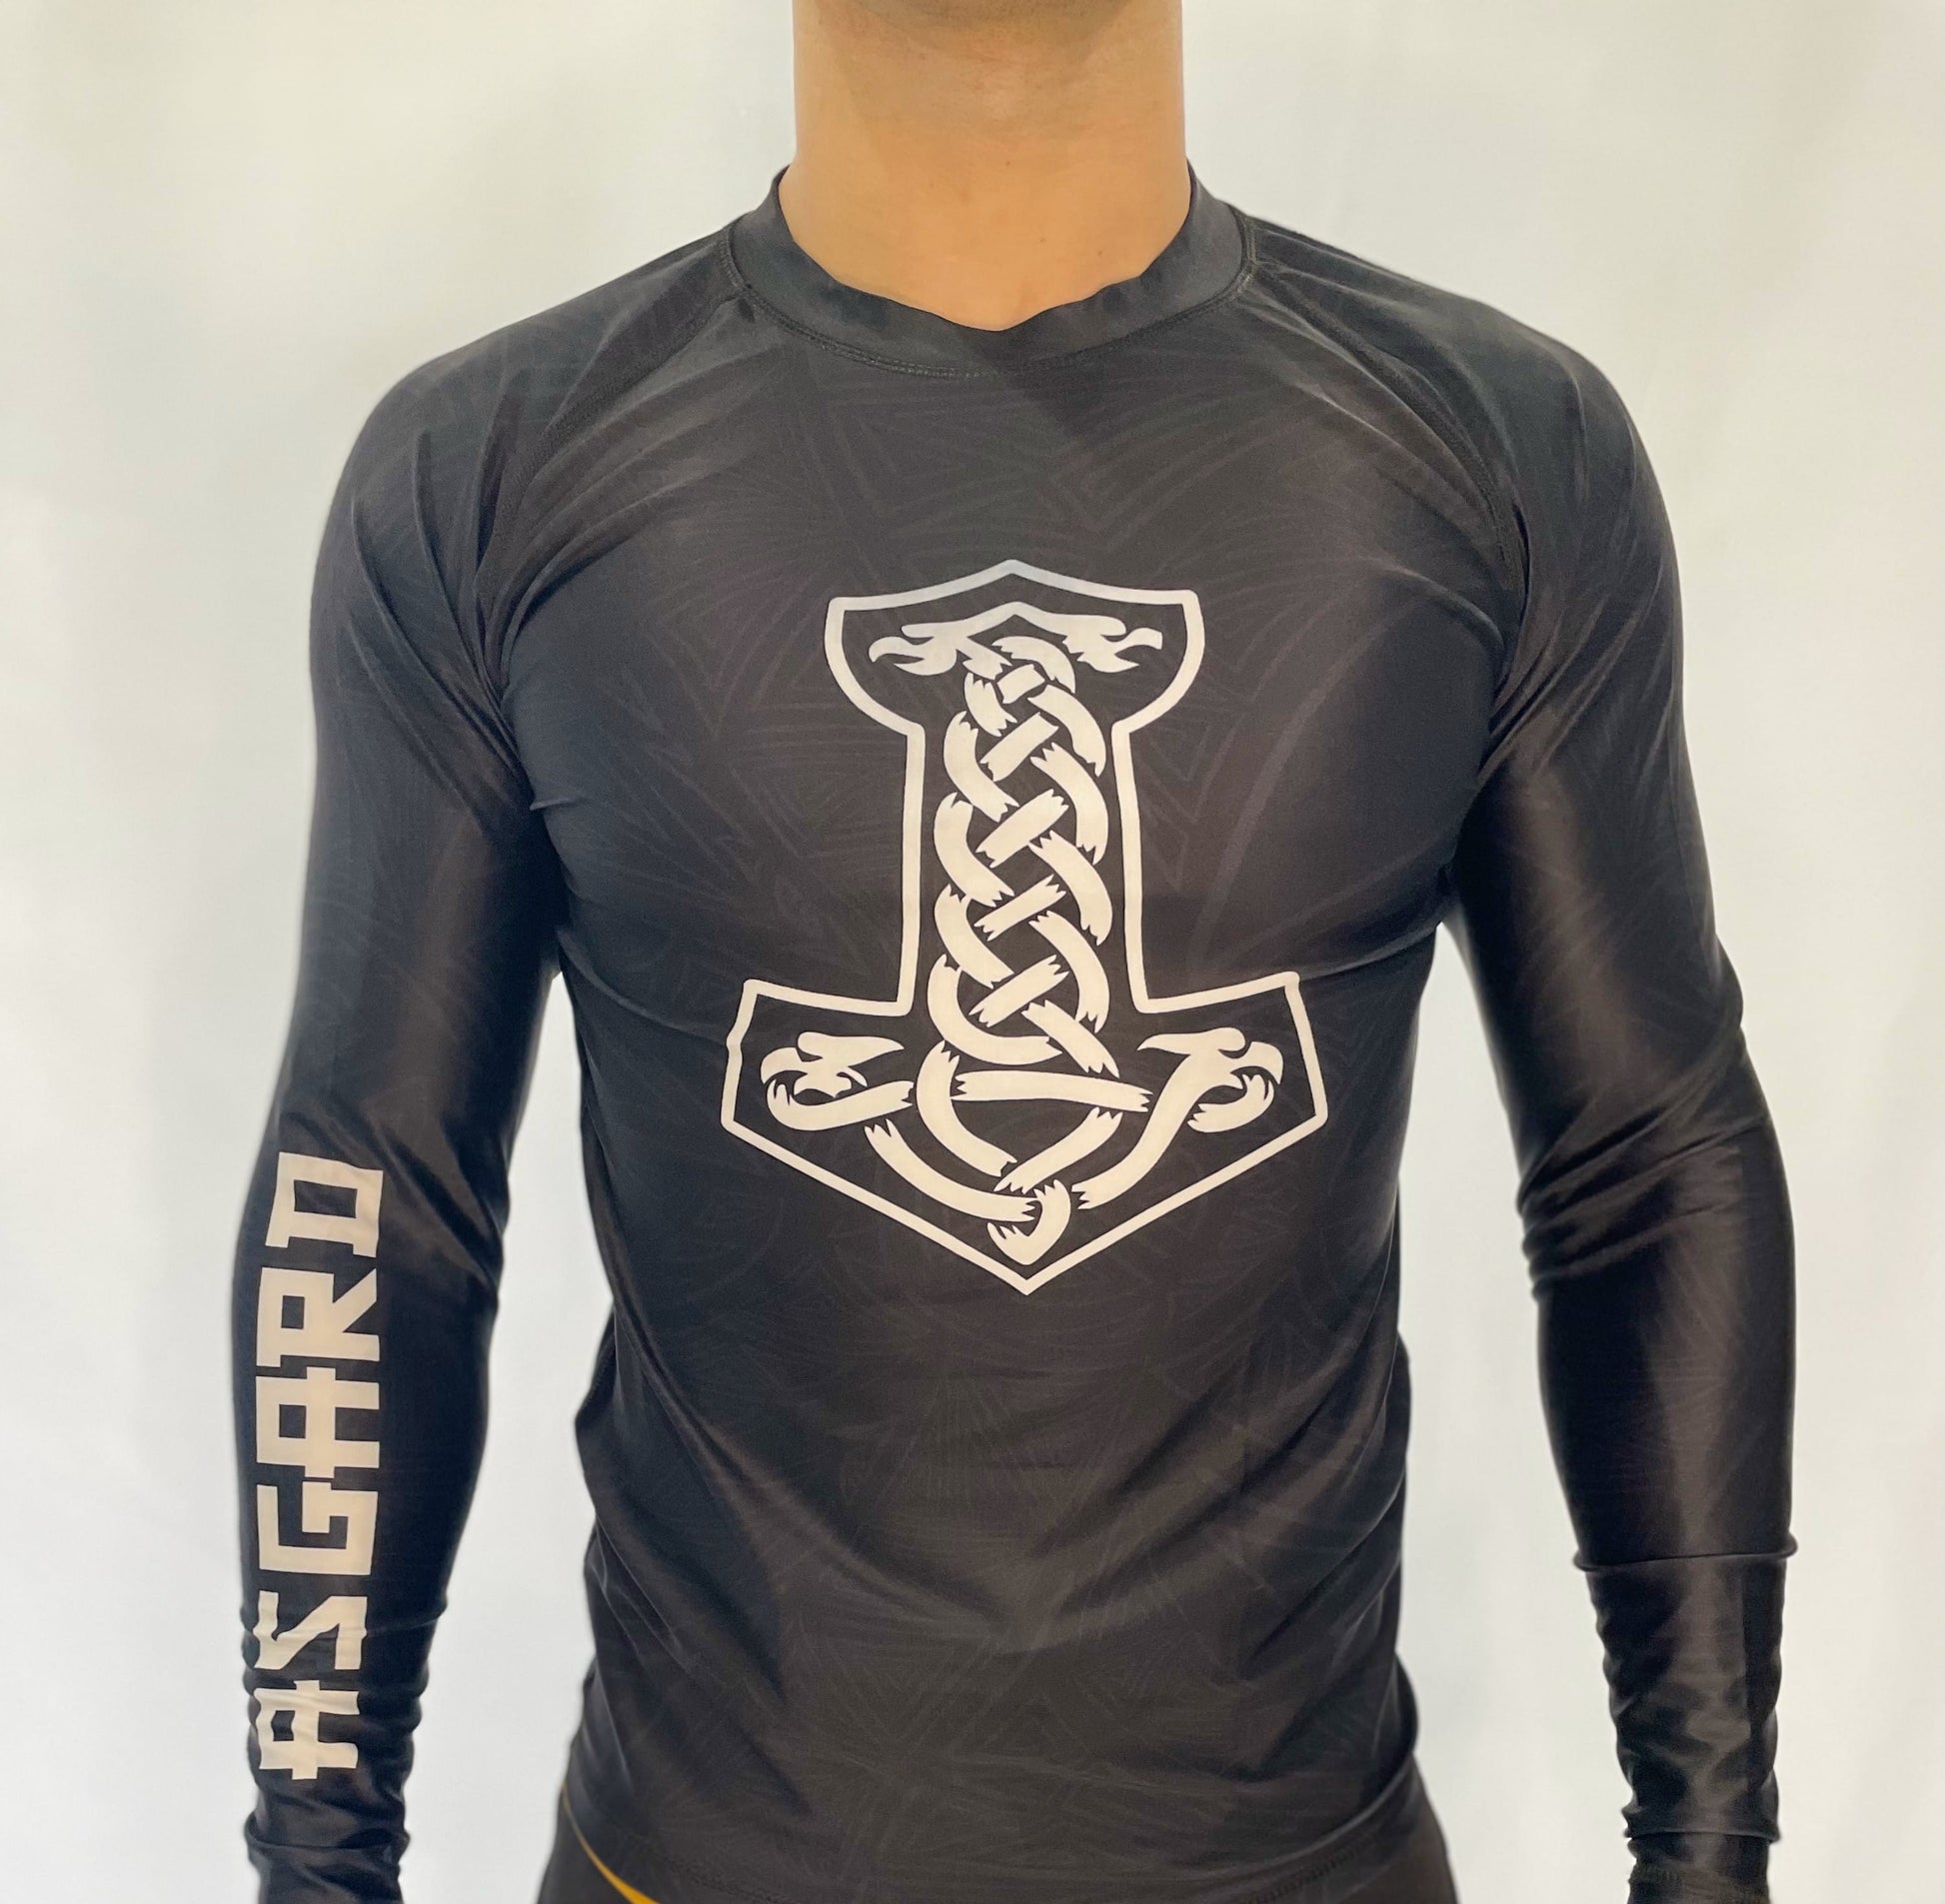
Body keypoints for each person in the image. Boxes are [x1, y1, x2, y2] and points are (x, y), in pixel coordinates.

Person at [229, 2, 1795, 1900]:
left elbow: (1646, 1161)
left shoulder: (1499, 453)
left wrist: (1706, 1859)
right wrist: (316, 1866)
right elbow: (370, 1207)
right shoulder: (491, 470)